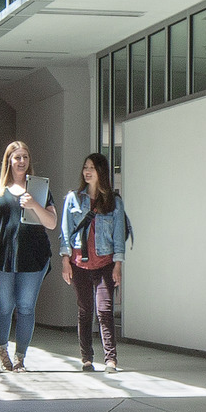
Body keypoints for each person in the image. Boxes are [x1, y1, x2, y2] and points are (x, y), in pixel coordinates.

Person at [0, 141, 56, 371]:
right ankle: (3, 351)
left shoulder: (39, 188)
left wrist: (33, 204)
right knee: (4, 305)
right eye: (17, 157)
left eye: (25, 157)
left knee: (25, 307)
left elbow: (51, 223)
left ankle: (20, 357)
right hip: (3, 256)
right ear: (9, 161)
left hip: (33, 257)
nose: (21, 161)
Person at [59, 152, 130, 374]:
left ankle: (111, 359)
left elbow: (118, 236)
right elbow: (65, 232)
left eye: (92, 168)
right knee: (85, 310)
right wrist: (65, 260)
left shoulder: (114, 202)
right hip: (79, 263)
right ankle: (86, 358)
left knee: (105, 310)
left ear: (101, 172)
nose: (87, 171)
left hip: (105, 263)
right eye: (85, 167)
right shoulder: (73, 199)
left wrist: (118, 264)